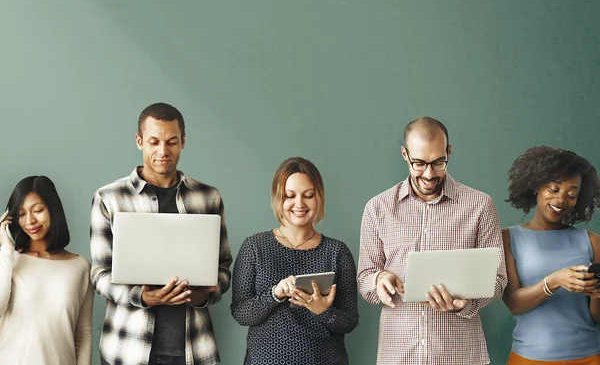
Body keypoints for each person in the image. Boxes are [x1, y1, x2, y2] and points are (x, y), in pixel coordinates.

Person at [357, 116, 507, 365]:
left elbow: (499, 279)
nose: (429, 174)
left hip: (460, 355)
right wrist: (379, 279)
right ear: (405, 154)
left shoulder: (480, 206)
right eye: (419, 163)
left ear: (449, 151)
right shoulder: (378, 208)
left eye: (438, 163)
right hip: (399, 355)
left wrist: (465, 304)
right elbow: (364, 279)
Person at [90, 102, 232, 365]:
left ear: (183, 141)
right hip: (128, 349)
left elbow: (223, 268)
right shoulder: (109, 198)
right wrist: (143, 297)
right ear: (139, 141)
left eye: (171, 142)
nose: (162, 151)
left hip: (193, 349)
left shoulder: (208, 197)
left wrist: (205, 295)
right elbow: (100, 274)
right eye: (154, 141)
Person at [231, 157, 359, 365]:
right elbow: (241, 313)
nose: (299, 204)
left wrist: (323, 311)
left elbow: (350, 321)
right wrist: (275, 294)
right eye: (290, 196)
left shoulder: (337, 252)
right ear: (278, 199)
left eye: (308, 195)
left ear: (319, 198)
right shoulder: (255, 247)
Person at [502, 146, 600, 364]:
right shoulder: (508, 238)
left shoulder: (592, 241)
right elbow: (514, 303)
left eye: (571, 195)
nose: (561, 200)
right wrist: (554, 280)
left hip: (589, 357)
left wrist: (596, 294)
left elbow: (596, 317)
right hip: (529, 358)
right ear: (537, 187)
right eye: (553, 189)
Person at [0, 175, 93, 365]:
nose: (30, 221)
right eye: (21, 214)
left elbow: (83, 336)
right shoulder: (8, 261)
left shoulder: (80, 267)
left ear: (53, 210)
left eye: (38, 210)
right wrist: (7, 249)